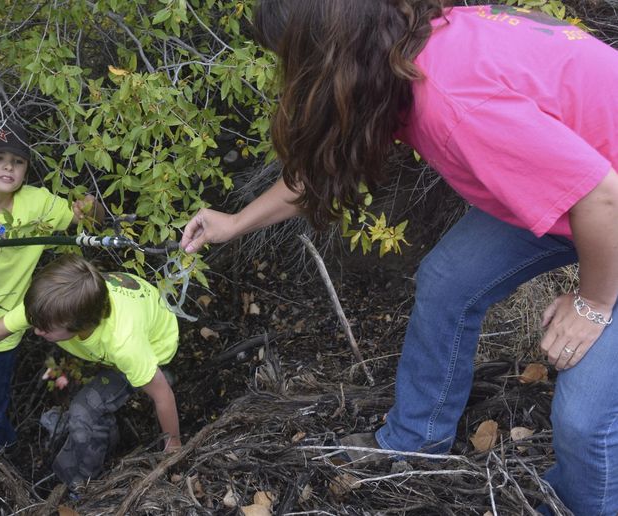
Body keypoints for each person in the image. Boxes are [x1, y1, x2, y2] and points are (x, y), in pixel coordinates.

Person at [180, 2, 617, 514]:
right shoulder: (399, 45)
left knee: (584, 422)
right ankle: (417, 443)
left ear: (330, 54)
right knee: (448, 282)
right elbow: (328, 164)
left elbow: (600, 197)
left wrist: (592, 302)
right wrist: (234, 223)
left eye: (294, 59)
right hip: (586, 182)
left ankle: (582, 504)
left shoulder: (451, 100)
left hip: (601, 201)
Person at [0, 254, 182, 489]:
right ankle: (111, 431)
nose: (36, 331)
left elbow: (163, 396)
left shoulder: (124, 343)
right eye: (35, 322)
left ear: (80, 325)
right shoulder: (50, 307)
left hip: (155, 345)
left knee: (83, 411)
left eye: (45, 329)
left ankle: (82, 483)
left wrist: (173, 447)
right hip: (133, 326)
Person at [0, 120, 101, 451]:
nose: (9, 165)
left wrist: (92, 208)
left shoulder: (38, 203)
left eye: (18, 161)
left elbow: (87, 221)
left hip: (4, 330)